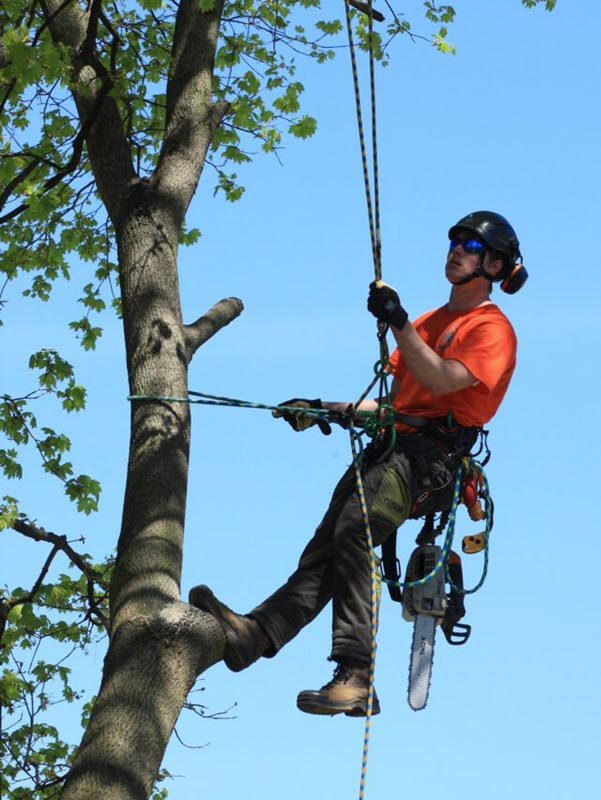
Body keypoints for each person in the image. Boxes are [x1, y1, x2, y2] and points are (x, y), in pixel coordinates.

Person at [189, 210, 527, 717]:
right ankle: (256, 634)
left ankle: (357, 673)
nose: (456, 249)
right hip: (393, 448)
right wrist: (322, 408)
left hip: (430, 461)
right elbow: (395, 405)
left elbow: (439, 383)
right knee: (325, 549)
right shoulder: (430, 323)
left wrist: (396, 322)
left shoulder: (491, 329)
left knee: (355, 526)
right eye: (454, 240)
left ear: (495, 266)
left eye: (471, 246)